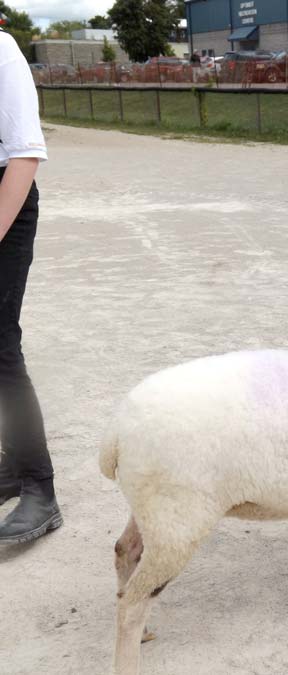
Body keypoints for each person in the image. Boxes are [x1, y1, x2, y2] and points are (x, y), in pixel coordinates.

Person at [0, 28, 63, 543]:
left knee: (0, 346)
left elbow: (24, 155)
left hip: (5, 200)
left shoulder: (1, 51)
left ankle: (40, 489)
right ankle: (12, 466)